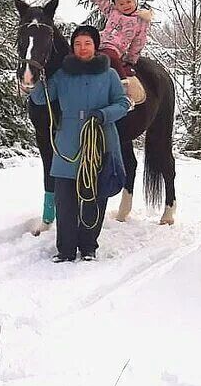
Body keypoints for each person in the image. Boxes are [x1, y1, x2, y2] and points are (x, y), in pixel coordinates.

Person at [29, 25, 129, 262]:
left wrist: (102, 115)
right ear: (72, 48)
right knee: (65, 198)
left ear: (95, 46)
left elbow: (123, 103)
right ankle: (65, 249)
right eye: (77, 44)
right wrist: (35, 77)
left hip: (99, 141)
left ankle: (88, 247)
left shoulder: (110, 75)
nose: (82, 48)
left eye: (87, 44)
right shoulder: (62, 75)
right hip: (67, 144)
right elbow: (41, 98)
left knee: (95, 196)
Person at [84, 0, 153, 82]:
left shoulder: (140, 20)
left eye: (129, 2)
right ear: (115, 4)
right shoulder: (113, 11)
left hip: (115, 49)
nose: (125, 5)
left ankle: (122, 84)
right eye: (121, 3)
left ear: (136, 2)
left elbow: (139, 42)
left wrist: (130, 60)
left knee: (110, 57)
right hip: (98, 43)